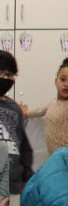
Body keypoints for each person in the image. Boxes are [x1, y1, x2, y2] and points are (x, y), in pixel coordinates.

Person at [22, 56, 68, 154]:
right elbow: (41, 111)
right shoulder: (53, 103)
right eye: (63, 79)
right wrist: (26, 113)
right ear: (56, 81)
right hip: (54, 158)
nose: (66, 84)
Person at [0, 52, 32, 196]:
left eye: (10, 75)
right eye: (2, 73)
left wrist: (27, 175)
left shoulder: (14, 108)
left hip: (13, 187)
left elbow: (24, 146)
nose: (6, 79)